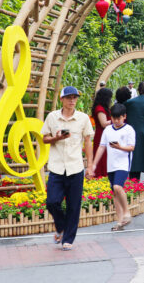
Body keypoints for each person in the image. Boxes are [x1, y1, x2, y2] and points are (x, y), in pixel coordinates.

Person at [40, 86, 94, 251]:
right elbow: (44, 139)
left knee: (74, 205)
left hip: (75, 167)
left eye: (75, 98)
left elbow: (87, 142)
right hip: (56, 167)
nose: (72, 101)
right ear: (62, 99)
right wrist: (56, 138)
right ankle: (62, 227)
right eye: (69, 97)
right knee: (52, 202)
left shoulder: (83, 118)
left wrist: (90, 166)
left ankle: (68, 239)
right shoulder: (52, 117)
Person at [91, 103, 136, 230]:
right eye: (114, 118)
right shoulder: (108, 130)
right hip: (111, 165)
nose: (116, 121)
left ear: (124, 117)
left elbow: (131, 147)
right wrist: (94, 164)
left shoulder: (129, 130)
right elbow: (101, 146)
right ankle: (120, 221)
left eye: (119, 118)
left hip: (123, 164)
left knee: (117, 186)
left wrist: (119, 147)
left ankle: (127, 212)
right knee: (115, 193)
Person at [91, 87, 113, 178]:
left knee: (105, 157)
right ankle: (100, 176)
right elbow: (103, 123)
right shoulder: (99, 108)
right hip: (101, 135)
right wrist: (116, 121)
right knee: (101, 157)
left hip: (105, 134)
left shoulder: (103, 107)